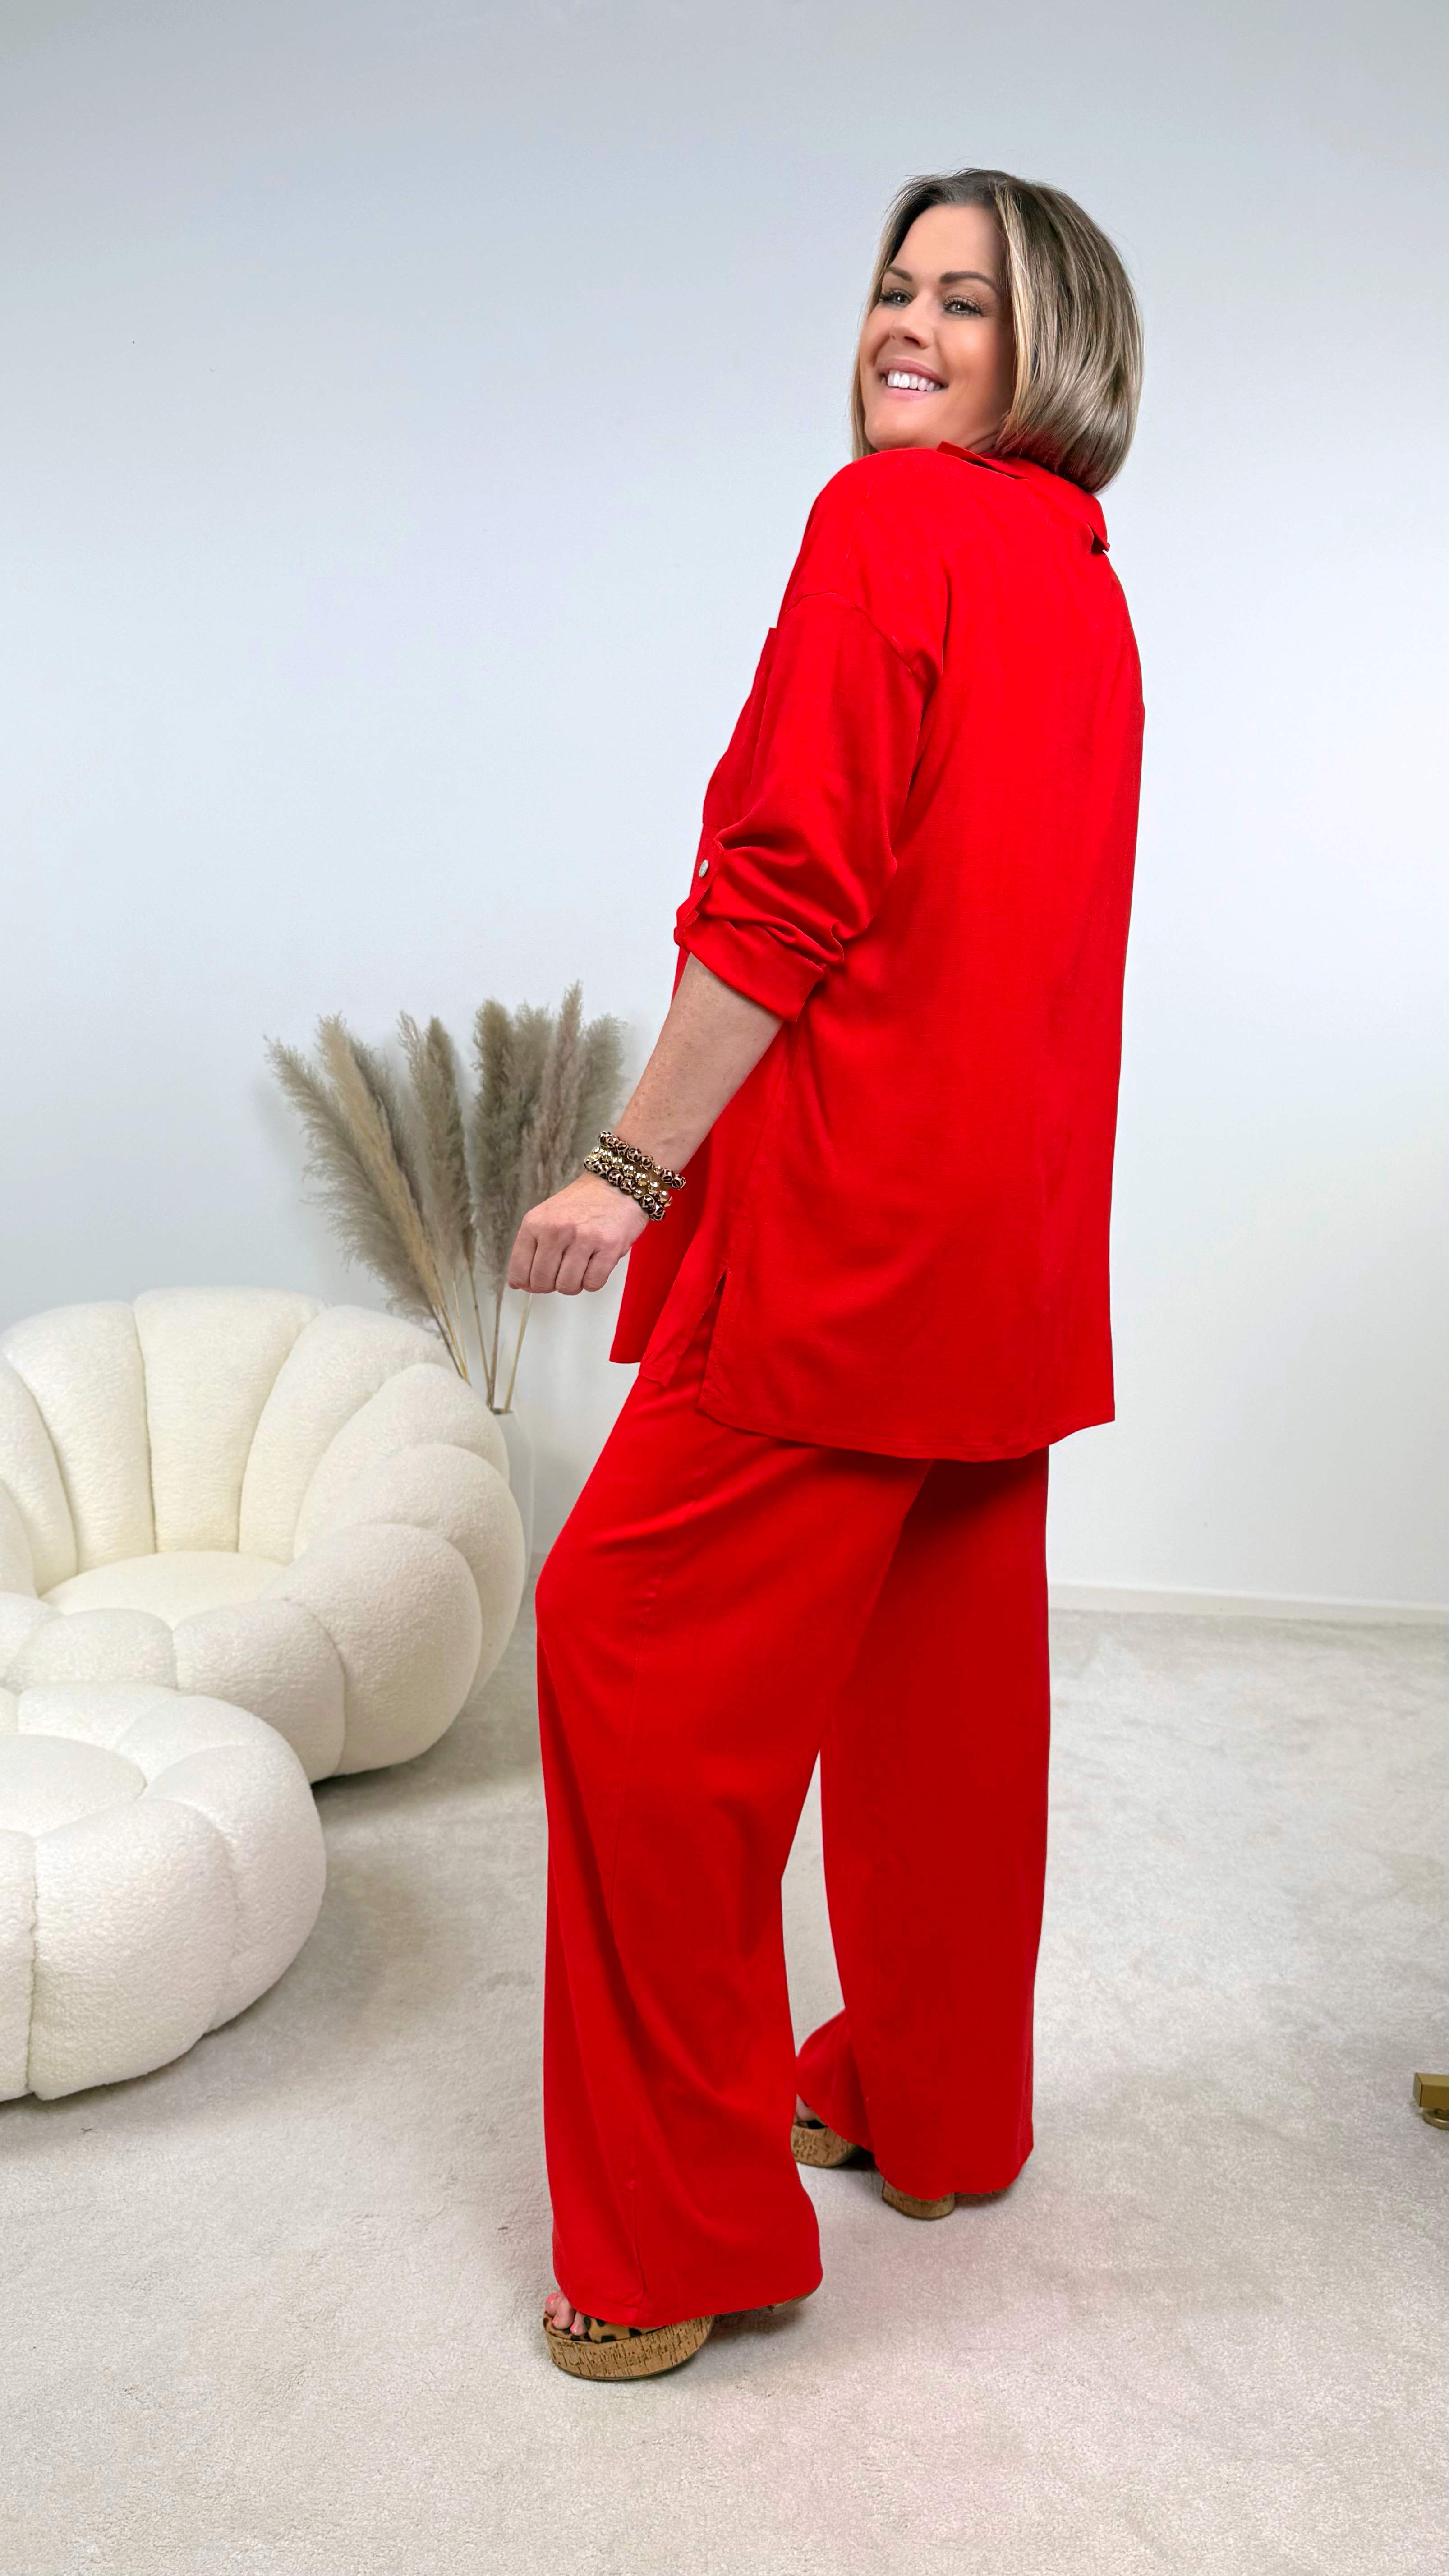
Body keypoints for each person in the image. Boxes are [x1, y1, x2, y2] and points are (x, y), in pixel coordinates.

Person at [509, 165, 1145, 2381]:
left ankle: (680, 2239)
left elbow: (788, 888)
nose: (908, 328)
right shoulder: (1083, 578)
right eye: (895, 288)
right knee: (935, 1683)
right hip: (1006, 1242)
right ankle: (938, 2113)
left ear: (1052, 346)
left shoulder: (889, 524)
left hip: (849, 1236)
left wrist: (629, 1168)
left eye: (966, 302)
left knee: (617, 1645)